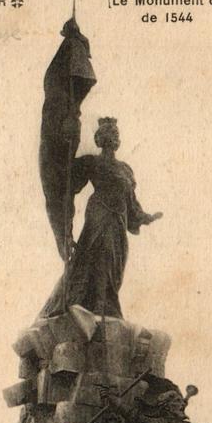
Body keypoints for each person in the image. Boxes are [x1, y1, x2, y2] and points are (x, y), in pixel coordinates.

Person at [40, 117, 163, 319]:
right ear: (99, 139)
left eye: (114, 134)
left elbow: (132, 202)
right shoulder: (92, 162)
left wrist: (146, 217)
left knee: (115, 261)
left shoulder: (125, 169)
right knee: (99, 257)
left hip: (119, 220)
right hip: (100, 215)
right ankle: (97, 307)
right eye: (107, 134)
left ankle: (107, 304)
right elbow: (67, 180)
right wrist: (67, 138)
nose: (111, 138)